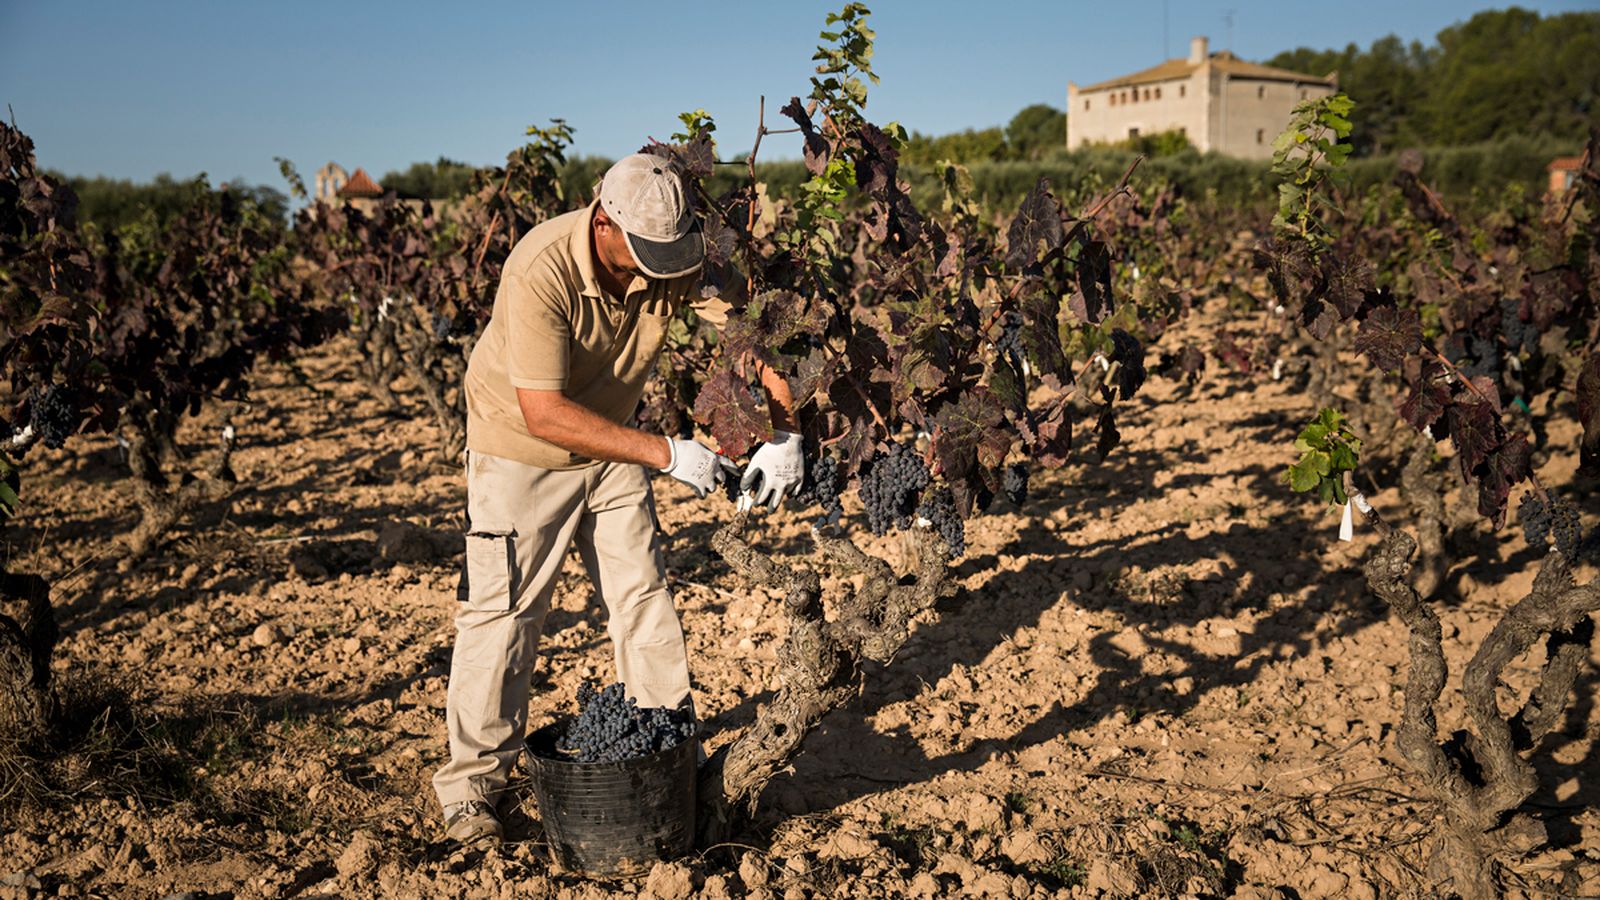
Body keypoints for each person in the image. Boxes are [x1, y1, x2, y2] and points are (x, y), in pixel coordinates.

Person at [432, 153, 805, 844]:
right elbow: (543, 413)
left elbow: (748, 335)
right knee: (505, 614)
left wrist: (786, 430)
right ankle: (472, 791)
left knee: (643, 598)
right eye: (644, 257)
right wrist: (668, 453)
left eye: (672, 260)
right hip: (521, 449)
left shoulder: (669, 255)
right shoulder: (540, 270)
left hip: (610, 444)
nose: (660, 275)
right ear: (603, 222)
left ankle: (665, 754)